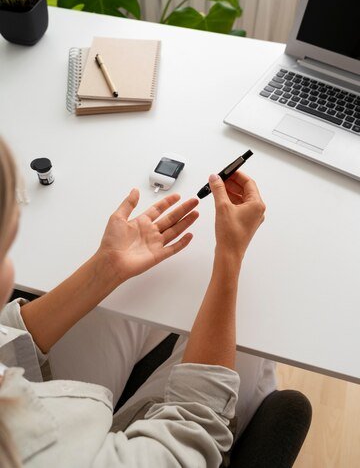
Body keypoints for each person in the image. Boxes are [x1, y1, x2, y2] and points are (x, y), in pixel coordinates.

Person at [0, 136, 276, 467]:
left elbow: (8, 344)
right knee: (249, 339)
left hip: (42, 407)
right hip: (118, 449)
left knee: (133, 291)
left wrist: (106, 268)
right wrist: (229, 258)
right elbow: (195, 429)